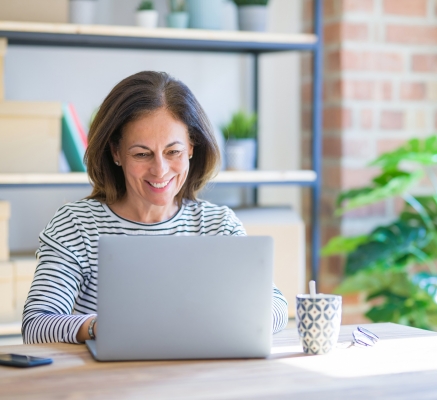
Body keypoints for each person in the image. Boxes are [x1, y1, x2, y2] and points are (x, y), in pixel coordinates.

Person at [22, 71, 288, 344]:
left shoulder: (217, 225)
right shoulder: (77, 225)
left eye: (173, 152)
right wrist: (101, 327)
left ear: (192, 147)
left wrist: (230, 319)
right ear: (116, 152)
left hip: (199, 378)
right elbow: (37, 325)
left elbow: (277, 307)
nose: (160, 170)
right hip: (109, 383)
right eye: (141, 154)